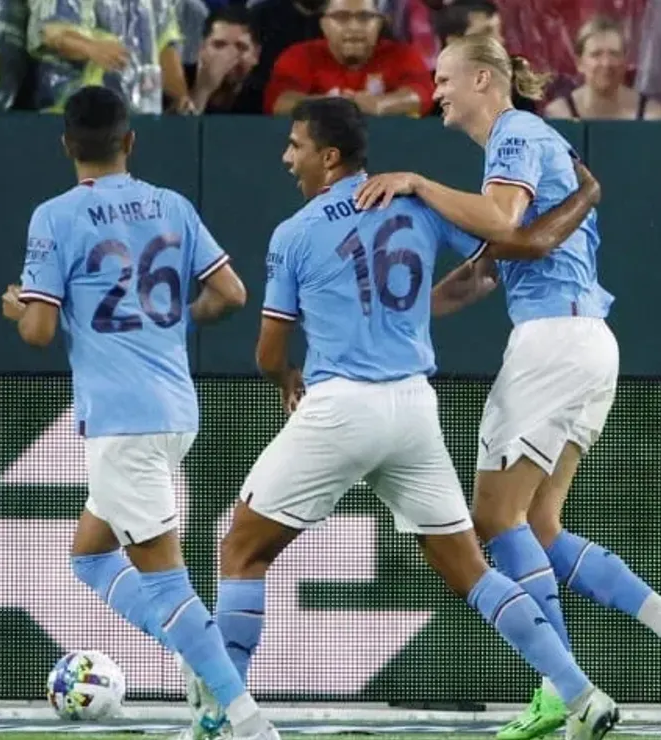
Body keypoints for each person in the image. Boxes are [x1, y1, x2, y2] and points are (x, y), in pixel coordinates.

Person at [185, 95, 617, 740]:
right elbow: (486, 268)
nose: (286, 156)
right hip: (414, 409)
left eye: (295, 145)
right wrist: (582, 198)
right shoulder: (415, 208)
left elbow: (269, 350)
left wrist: (286, 378)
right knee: (472, 570)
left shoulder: (296, 233)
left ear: (328, 158)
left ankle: (221, 723)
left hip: (339, 408)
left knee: (241, 551)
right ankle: (580, 694)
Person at [354, 33, 661, 740]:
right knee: (540, 528)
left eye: (445, 78)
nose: (435, 92)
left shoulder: (516, 133)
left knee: (494, 521)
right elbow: (486, 270)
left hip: (553, 344)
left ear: (486, 81)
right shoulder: (527, 145)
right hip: (586, 344)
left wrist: (419, 182)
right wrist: (404, 307)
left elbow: (501, 224)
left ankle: (562, 687)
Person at [0, 85, 277, 740]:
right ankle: (202, 662)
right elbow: (230, 292)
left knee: (167, 583)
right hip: (176, 408)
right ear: (130, 141)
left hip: (123, 421)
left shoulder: (55, 216)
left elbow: (38, 331)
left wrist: (19, 308)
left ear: (67, 145)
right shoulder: (171, 204)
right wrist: (177, 317)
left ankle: (241, 719)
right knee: (91, 557)